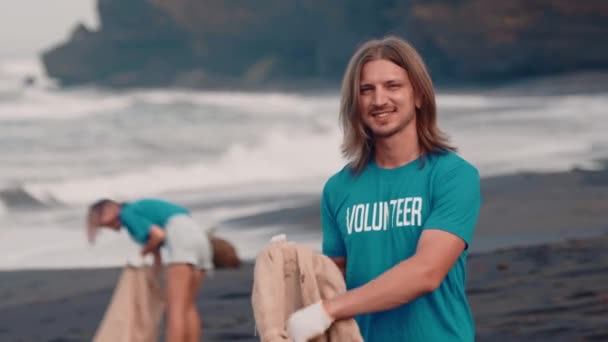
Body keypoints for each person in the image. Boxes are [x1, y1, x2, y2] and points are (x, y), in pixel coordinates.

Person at [287, 36, 482, 342]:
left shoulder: (453, 176)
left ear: (418, 95)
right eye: (366, 90)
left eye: (393, 86)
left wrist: (327, 310)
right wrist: (289, 276)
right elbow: (334, 281)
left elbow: (426, 272)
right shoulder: (338, 189)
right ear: (356, 103)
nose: (379, 100)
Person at [87, 198, 213, 342]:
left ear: (109, 210)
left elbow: (158, 235)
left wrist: (140, 256)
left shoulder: (127, 213)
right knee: (188, 305)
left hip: (181, 240)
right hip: (200, 238)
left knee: (174, 308)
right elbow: (156, 246)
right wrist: (155, 271)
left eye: (101, 222)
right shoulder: (140, 210)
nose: (105, 227)